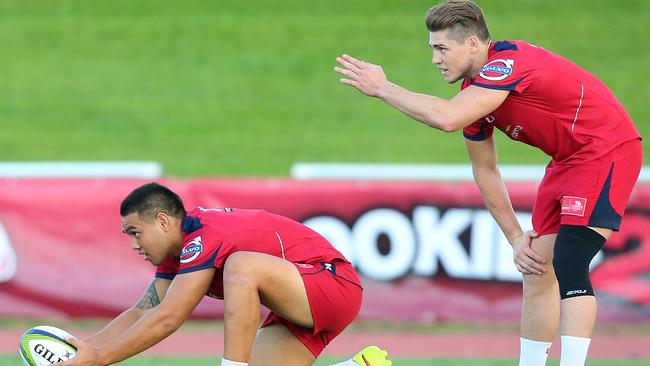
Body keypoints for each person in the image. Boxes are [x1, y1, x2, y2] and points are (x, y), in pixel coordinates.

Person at [334, 1, 642, 366]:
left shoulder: (507, 62)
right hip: (566, 161)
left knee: (570, 260)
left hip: (605, 149)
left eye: (441, 48)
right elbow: (485, 170)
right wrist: (515, 238)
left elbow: (447, 117)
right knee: (536, 268)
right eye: (433, 48)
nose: (435, 59)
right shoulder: (476, 91)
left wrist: (384, 88)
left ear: (473, 46)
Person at [56, 182, 391, 366]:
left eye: (134, 232)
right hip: (300, 306)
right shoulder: (178, 252)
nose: (133, 244)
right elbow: (144, 311)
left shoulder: (204, 235)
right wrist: (80, 350)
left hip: (332, 284)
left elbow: (169, 318)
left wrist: (100, 360)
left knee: (240, 265)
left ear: (162, 221)